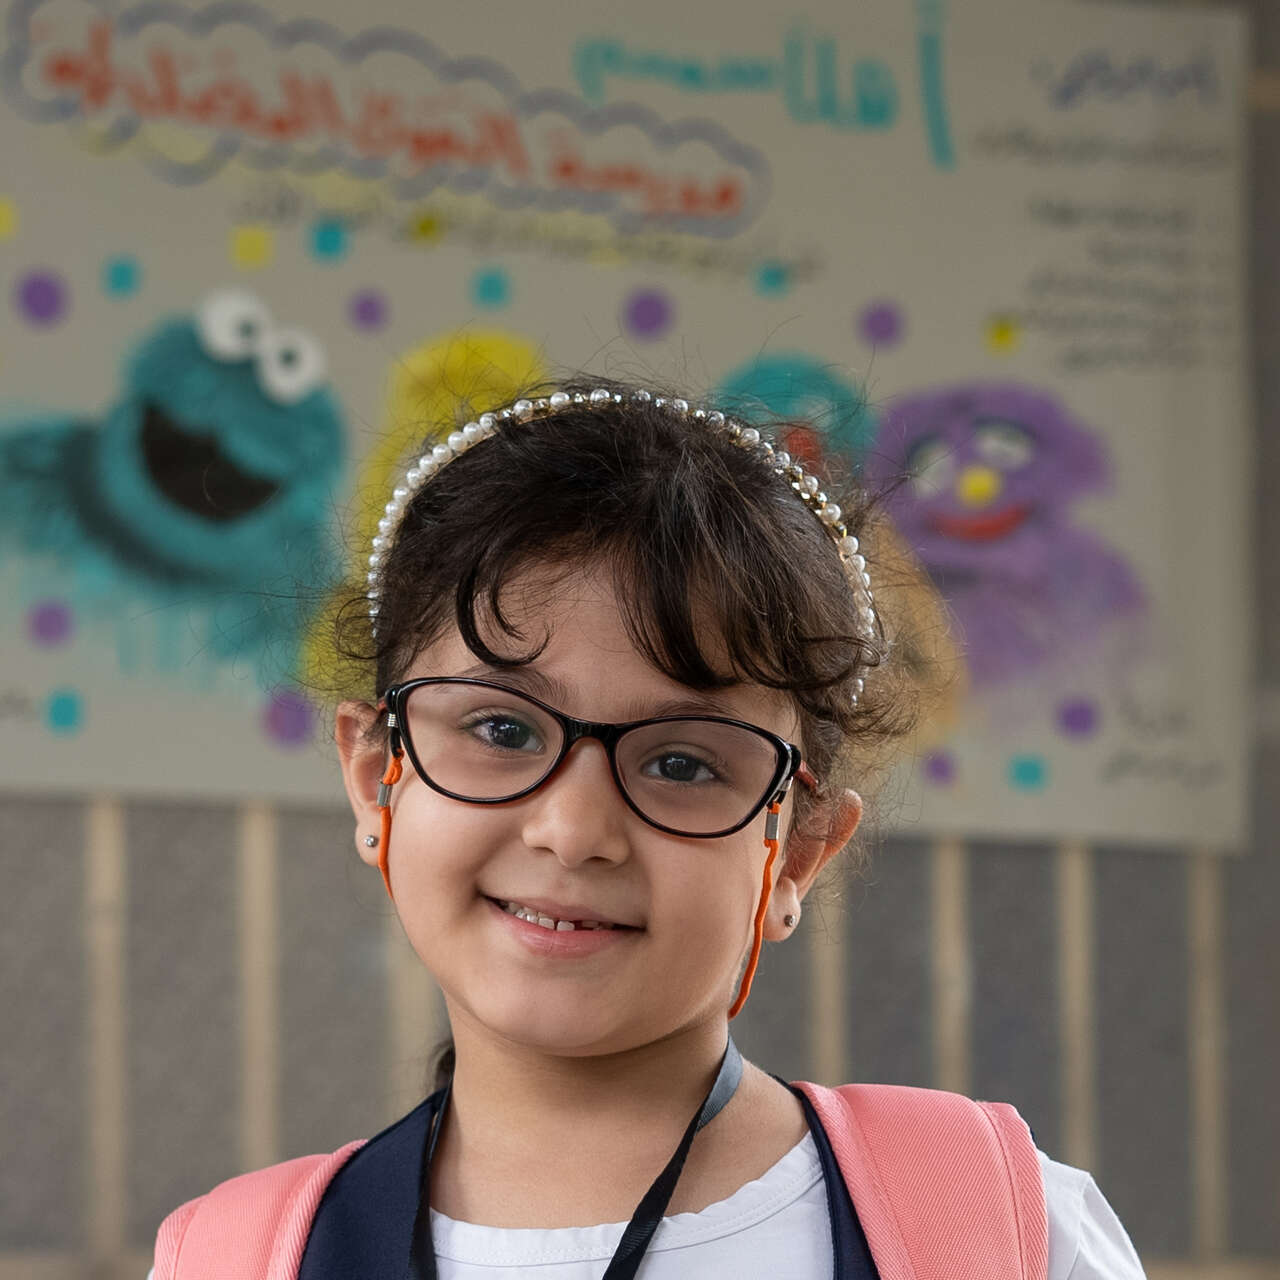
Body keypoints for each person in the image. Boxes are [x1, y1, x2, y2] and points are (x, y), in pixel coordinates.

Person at [151, 380, 1146, 1278]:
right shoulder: (234, 1258)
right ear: (378, 778)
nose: (575, 828)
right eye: (500, 727)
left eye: (681, 761)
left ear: (795, 851)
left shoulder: (1003, 1230)